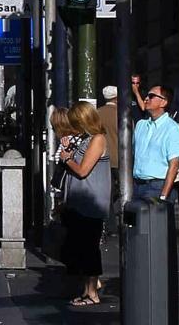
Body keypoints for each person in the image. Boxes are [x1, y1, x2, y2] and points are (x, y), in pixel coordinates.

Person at [57, 101, 110, 306]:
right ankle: (87, 289)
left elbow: (82, 170)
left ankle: (92, 293)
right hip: (79, 203)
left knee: (89, 249)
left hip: (91, 203)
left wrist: (66, 158)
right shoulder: (85, 139)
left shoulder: (97, 139)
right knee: (80, 248)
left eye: (75, 122)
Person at [130, 76, 179, 203]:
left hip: (158, 186)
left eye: (151, 96)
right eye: (147, 95)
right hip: (137, 185)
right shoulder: (141, 125)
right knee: (139, 222)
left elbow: (174, 164)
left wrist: (163, 196)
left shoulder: (171, 128)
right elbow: (134, 155)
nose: (146, 98)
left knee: (158, 222)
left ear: (163, 102)